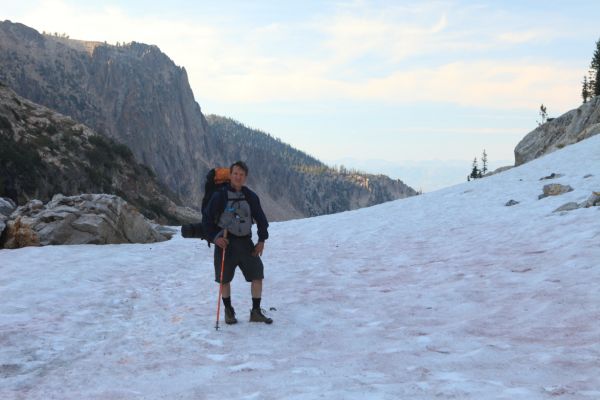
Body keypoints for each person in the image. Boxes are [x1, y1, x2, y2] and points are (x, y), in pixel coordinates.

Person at [202, 161, 273, 325]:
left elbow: (262, 220)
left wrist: (261, 240)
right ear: (230, 175)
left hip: (246, 242)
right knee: (224, 280)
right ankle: (228, 311)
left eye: (241, 174)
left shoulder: (250, 196)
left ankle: (255, 311)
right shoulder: (219, 196)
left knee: (257, 275)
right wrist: (215, 238)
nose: (238, 177)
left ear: (245, 177)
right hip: (225, 243)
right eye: (235, 174)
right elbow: (206, 219)